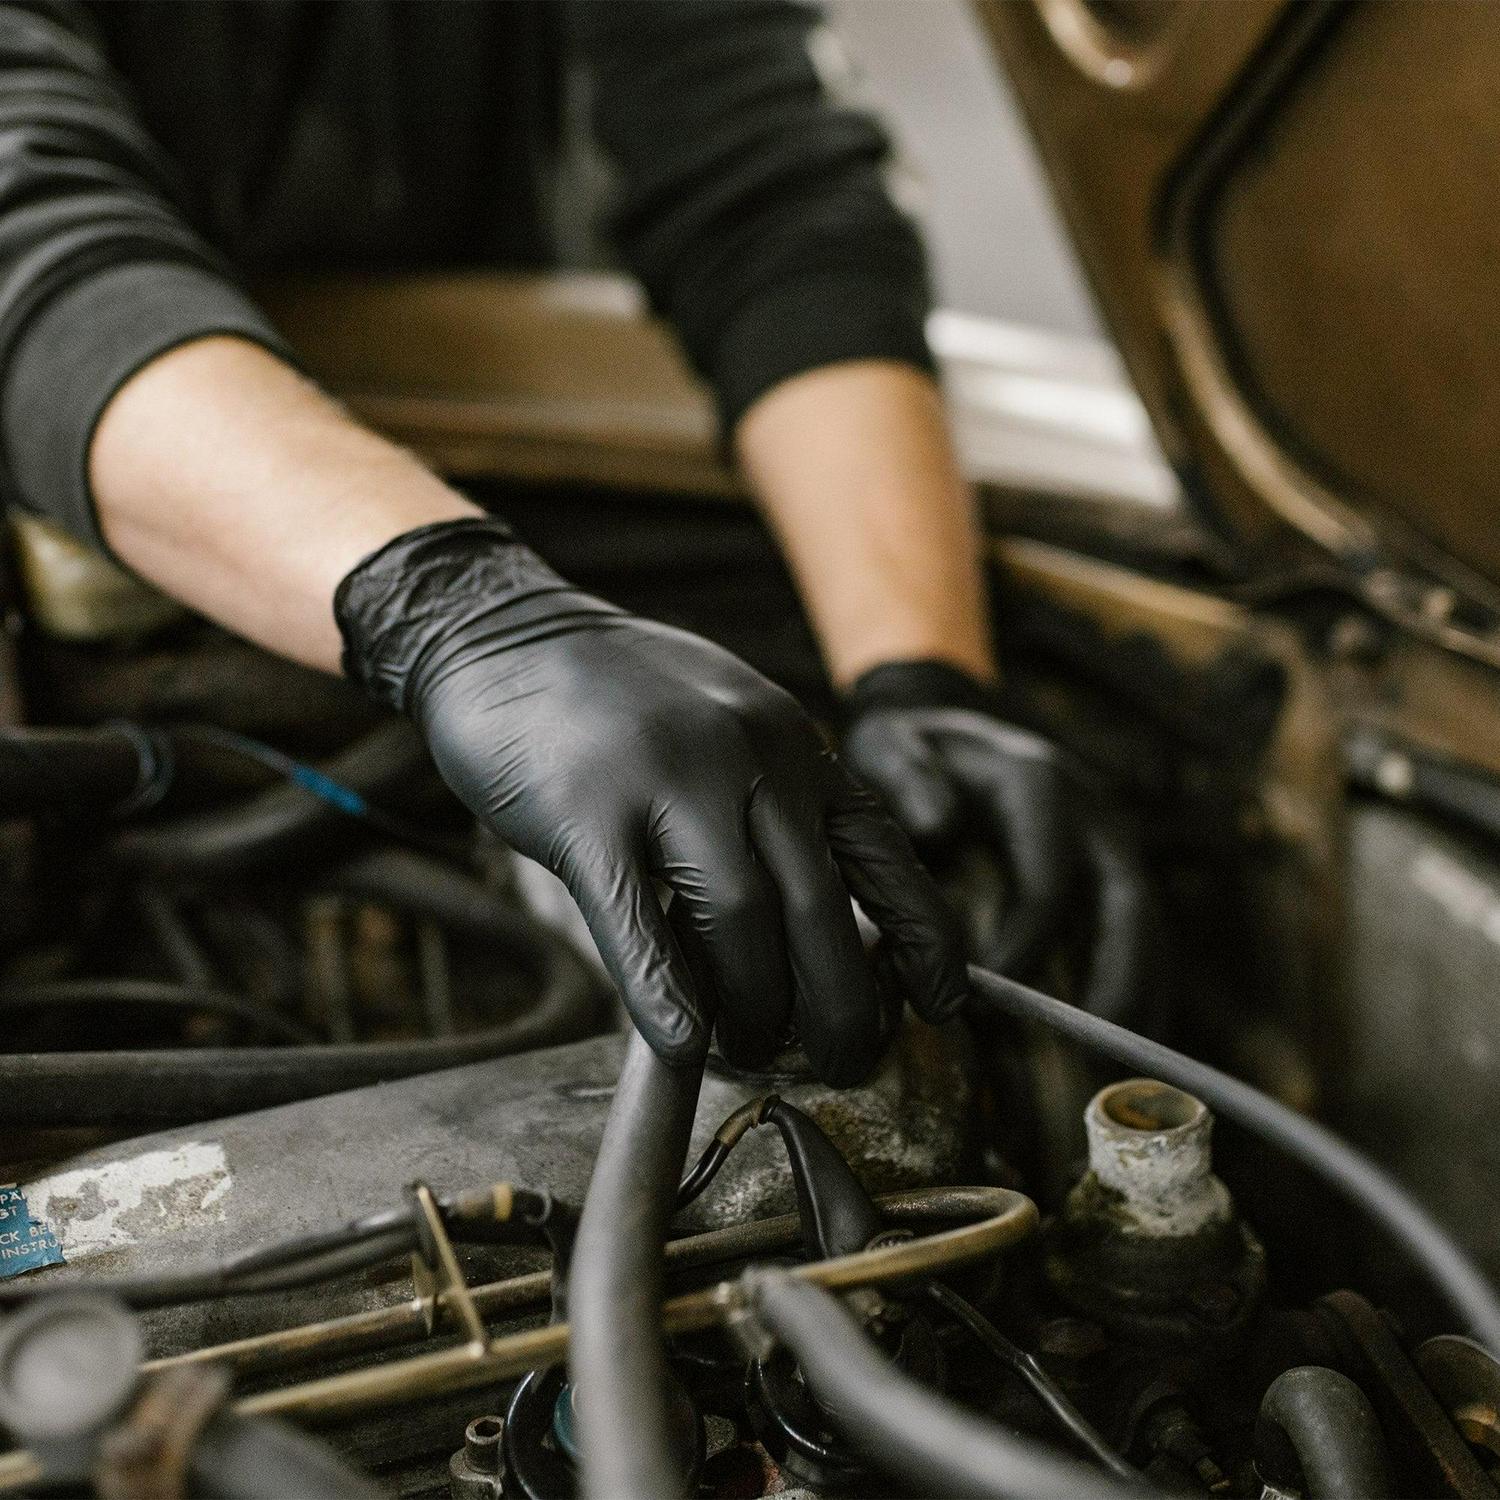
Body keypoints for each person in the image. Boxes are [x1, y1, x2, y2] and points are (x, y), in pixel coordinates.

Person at [0, 1, 1104, 1085]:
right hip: (127, 473)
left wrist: (917, 672)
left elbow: (769, 188)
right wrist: (459, 610)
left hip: (464, 453)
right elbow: (30, 231)